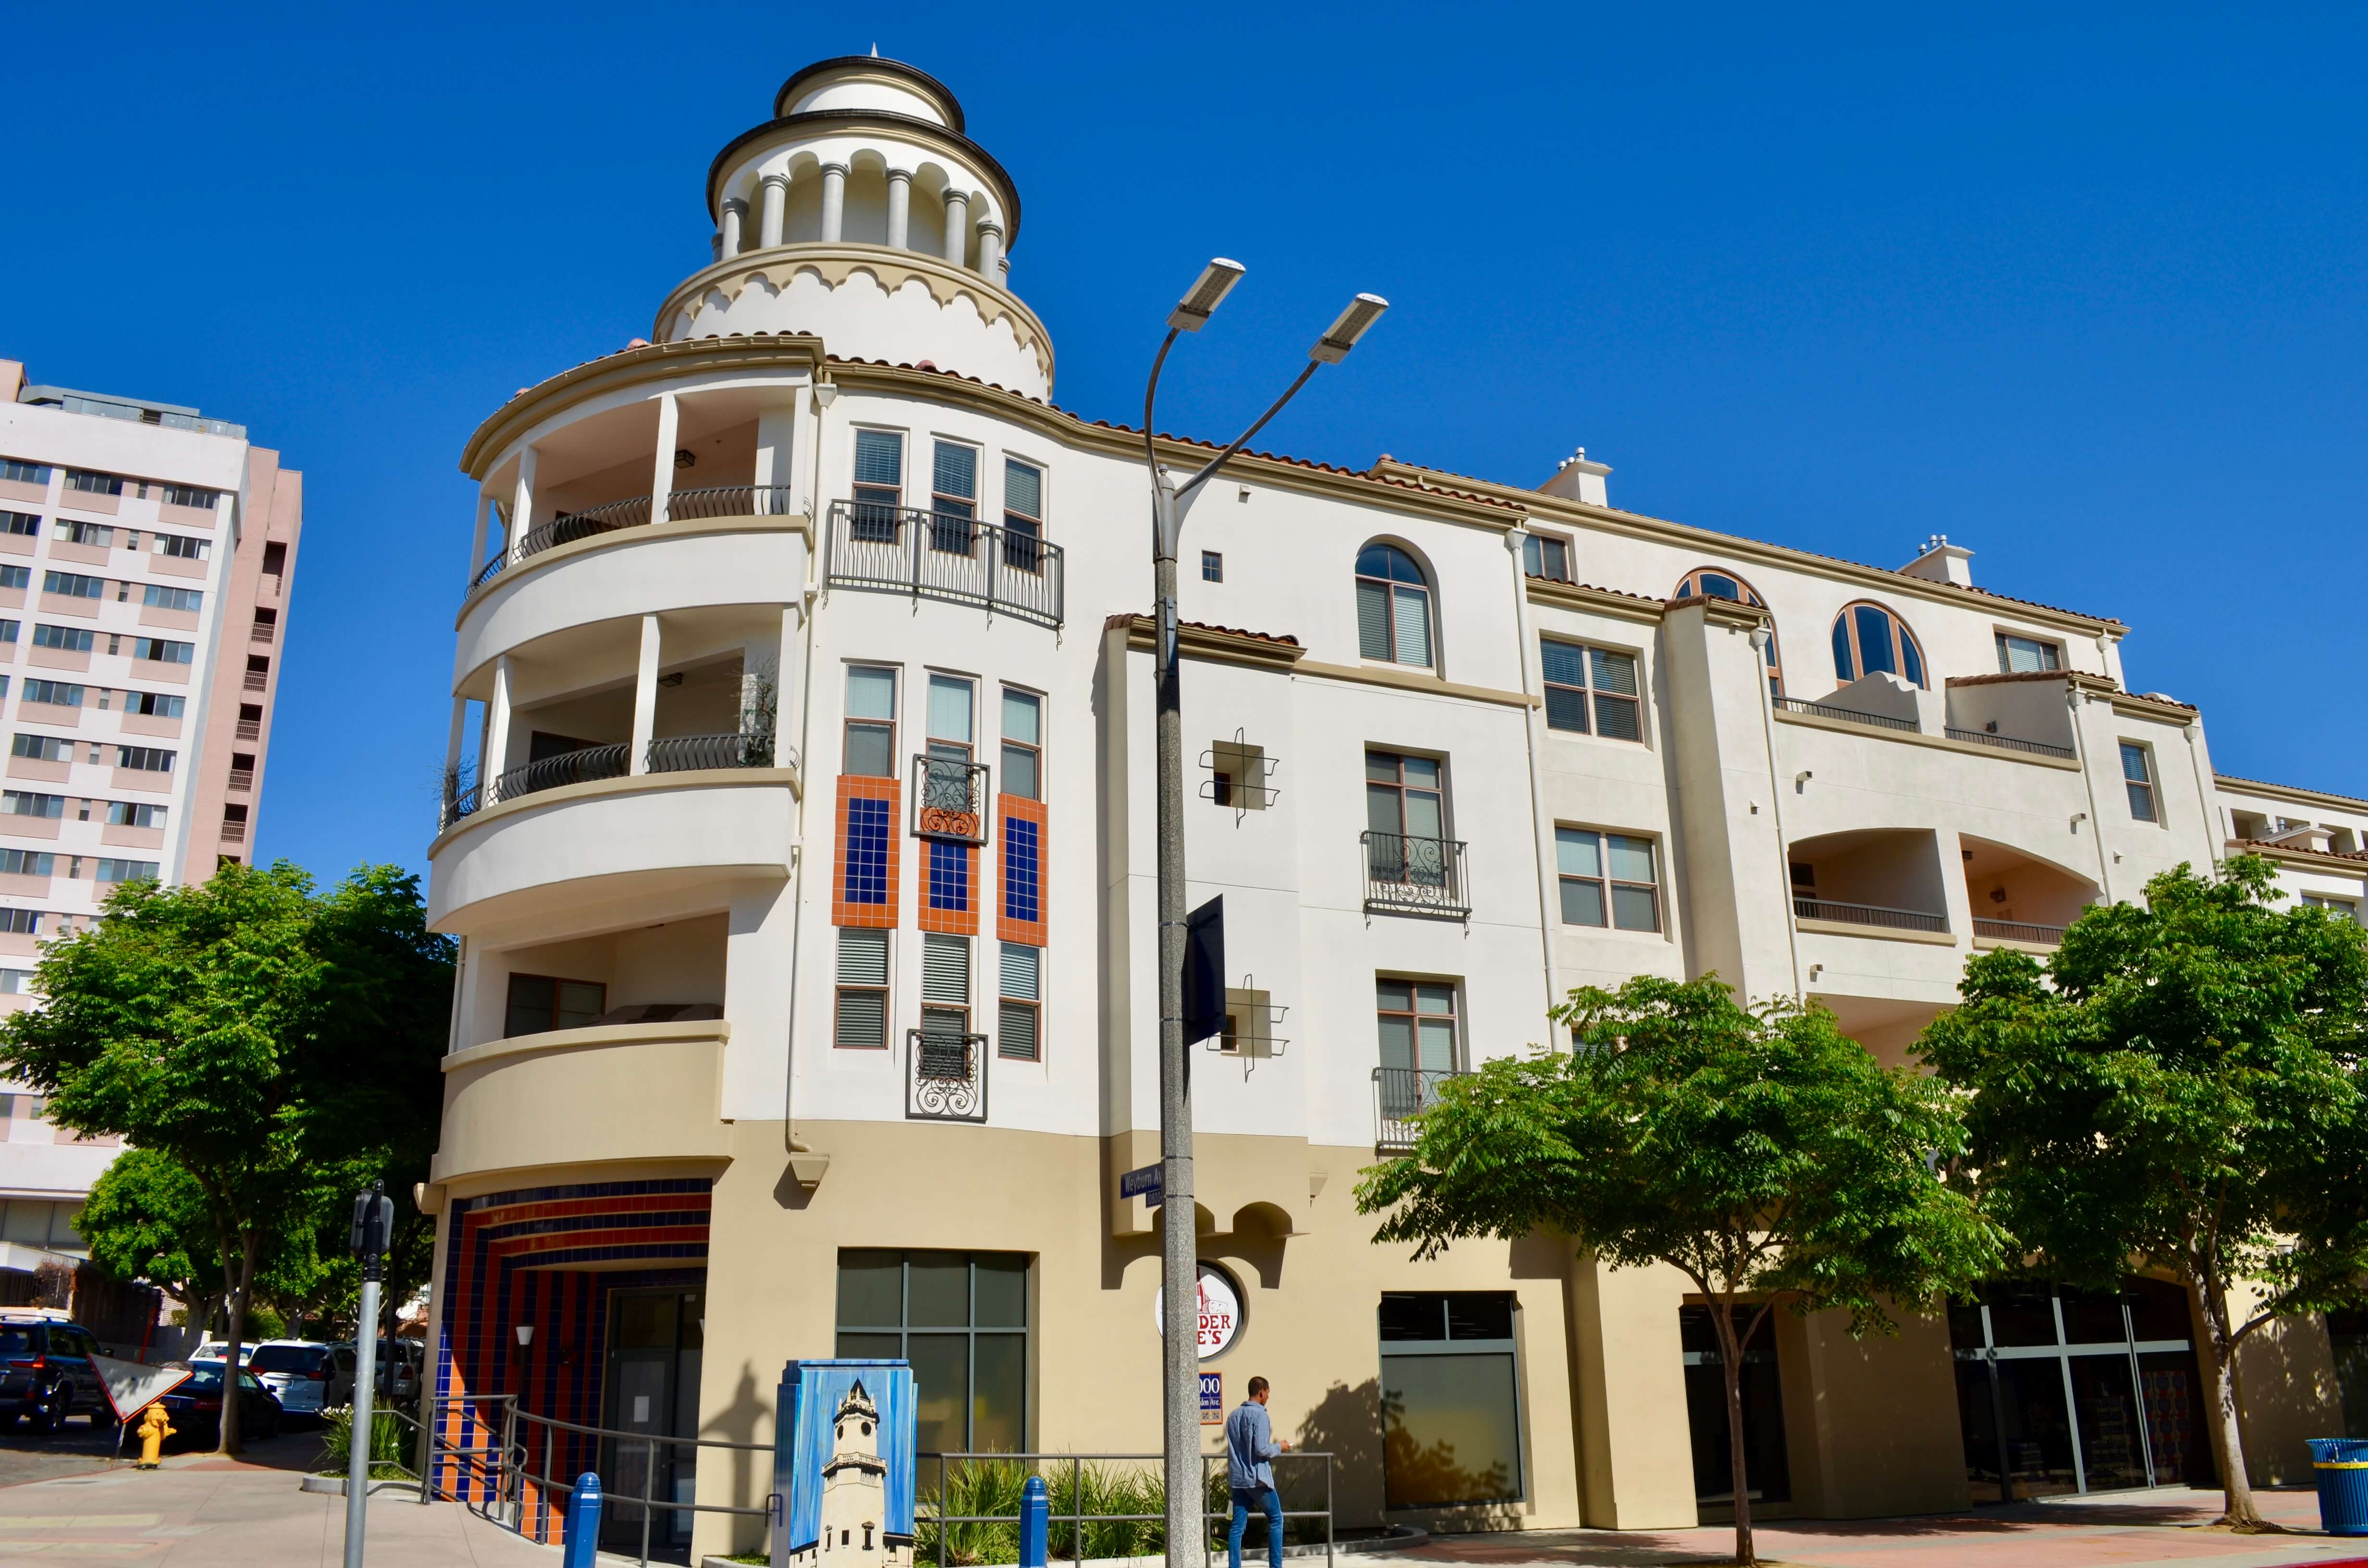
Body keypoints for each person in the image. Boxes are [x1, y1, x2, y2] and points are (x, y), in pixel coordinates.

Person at [1224, 1376, 1290, 1568]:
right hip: (1258, 1480)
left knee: (1237, 1527)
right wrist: (1280, 1447)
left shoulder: (1233, 1416)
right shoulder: (1261, 1415)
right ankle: (1276, 1566)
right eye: (1268, 1393)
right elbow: (1262, 1449)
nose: (1268, 1397)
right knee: (1276, 1519)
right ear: (1262, 1392)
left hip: (1238, 1480)